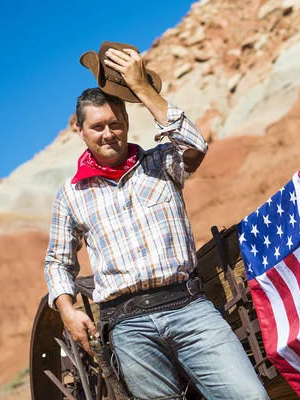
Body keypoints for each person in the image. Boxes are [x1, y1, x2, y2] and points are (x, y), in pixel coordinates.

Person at [44, 45, 269, 400]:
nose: (108, 134)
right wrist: (67, 310)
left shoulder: (162, 162)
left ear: (127, 123)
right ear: (80, 131)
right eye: (97, 126)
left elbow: (195, 144)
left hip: (189, 309)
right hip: (127, 325)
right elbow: (58, 261)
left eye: (115, 124)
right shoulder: (70, 195)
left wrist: (142, 89)